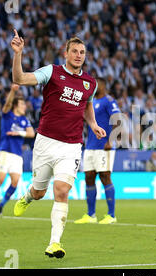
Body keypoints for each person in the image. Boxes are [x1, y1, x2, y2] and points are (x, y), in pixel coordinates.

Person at [11, 30, 106, 258]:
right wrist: (18, 54)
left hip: (71, 146)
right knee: (39, 191)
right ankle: (27, 197)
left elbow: (87, 105)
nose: (78, 55)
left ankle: (54, 243)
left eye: (82, 52)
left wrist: (92, 124)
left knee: (61, 190)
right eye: (74, 51)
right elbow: (20, 79)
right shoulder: (51, 72)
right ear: (66, 53)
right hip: (45, 142)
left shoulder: (90, 83)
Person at [74, 78, 120, 225]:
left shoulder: (108, 101)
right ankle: (91, 214)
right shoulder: (90, 102)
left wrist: (111, 141)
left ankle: (111, 215)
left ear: (103, 85)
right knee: (89, 177)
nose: (95, 86)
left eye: (97, 84)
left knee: (105, 176)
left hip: (104, 146)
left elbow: (117, 120)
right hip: (90, 146)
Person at [0, 84, 35, 215]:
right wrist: (12, 91)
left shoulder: (24, 120)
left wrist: (19, 133)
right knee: (0, 179)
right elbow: (6, 105)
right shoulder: (7, 115)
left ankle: (1, 206)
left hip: (17, 155)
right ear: (16, 106)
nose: (25, 106)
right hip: (5, 151)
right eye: (22, 104)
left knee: (15, 182)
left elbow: (31, 133)